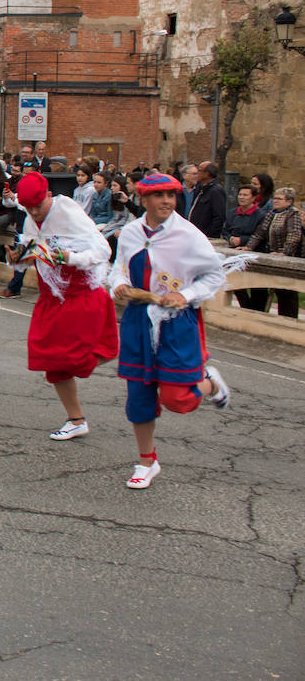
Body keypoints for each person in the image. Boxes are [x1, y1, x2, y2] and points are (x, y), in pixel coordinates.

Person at [109, 173, 231, 489]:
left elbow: (215, 277)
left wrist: (185, 295)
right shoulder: (131, 232)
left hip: (176, 323)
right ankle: (147, 461)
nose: (166, 201)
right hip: (138, 320)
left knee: (179, 399)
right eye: (159, 195)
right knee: (139, 398)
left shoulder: (188, 235)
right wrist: (118, 283)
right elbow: (119, 266)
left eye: (172, 195)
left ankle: (210, 383)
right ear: (143, 199)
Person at [6, 173, 119, 440]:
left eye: (38, 206)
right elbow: (34, 254)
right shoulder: (31, 219)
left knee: (77, 358)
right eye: (28, 208)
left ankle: (118, 352)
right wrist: (16, 259)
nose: (34, 212)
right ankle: (76, 420)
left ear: (48, 196)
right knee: (50, 361)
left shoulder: (67, 211)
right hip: (51, 298)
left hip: (81, 295)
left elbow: (103, 251)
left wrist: (71, 257)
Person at [244, 187, 302, 318]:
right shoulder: (272, 213)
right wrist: (248, 247)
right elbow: (260, 232)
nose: (275, 201)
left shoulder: (293, 214)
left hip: (288, 257)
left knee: (286, 292)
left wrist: (285, 253)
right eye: (275, 198)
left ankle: (288, 319)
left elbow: (294, 235)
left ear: (289, 201)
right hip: (272, 254)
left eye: (279, 199)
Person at [187, 162, 227, 241]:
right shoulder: (200, 188)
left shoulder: (216, 191)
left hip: (206, 236)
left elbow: (219, 217)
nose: (197, 173)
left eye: (200, 170)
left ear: (207, 174)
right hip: (195, 233)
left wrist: (210, 235)